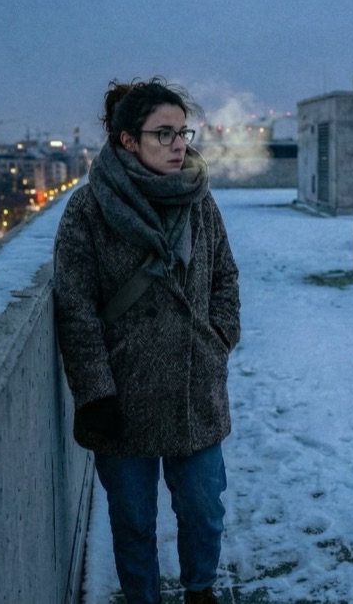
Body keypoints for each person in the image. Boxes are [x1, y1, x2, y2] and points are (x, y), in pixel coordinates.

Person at [53, 77, 241, 604]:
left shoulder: (200, 202)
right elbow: (76, 307)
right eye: (164, 134)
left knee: (204, 507)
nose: (180, 144)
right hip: (122, 396)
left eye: (183, 131)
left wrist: (218, 337)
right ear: (126, 141)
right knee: (133, 521)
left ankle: (200, 590)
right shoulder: (87, 210)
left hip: (192, 388)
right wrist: (96, 391)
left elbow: (225, 277)